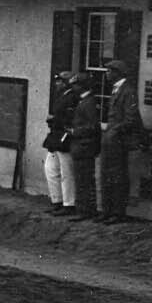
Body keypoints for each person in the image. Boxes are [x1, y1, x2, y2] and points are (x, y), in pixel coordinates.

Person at [98, 59, 146, 224]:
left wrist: (114, 131)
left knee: (117, 177)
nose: (106, 74)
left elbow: (130, 118)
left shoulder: (128, 91)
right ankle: (107, 210)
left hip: (119, 142)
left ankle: (117, 212)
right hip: (111, 140)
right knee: (107, 176)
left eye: (109, 71)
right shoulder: (116, 89)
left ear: (118, 73)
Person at [42, 71, 79, 216]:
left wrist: (54, 119)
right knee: (50, 169)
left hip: (65, 137)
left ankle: (69, 204)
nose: (57, 84)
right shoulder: (61, 96)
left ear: (67, 83)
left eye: (60, 81)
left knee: (66, 172)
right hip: (56, 137)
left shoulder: (72, 97)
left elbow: (69, 118)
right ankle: (56, 200)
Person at [68, 71, 103, 221]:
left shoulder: (88, 102)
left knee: (84, 180)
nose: (73, 88)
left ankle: (86, 211)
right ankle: (83, 209)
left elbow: (93, 126)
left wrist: (75, 131)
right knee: (81, 179)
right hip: (81, 146)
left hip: (85, 146)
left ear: (81, 86)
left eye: (75, 85)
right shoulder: (84, 101)